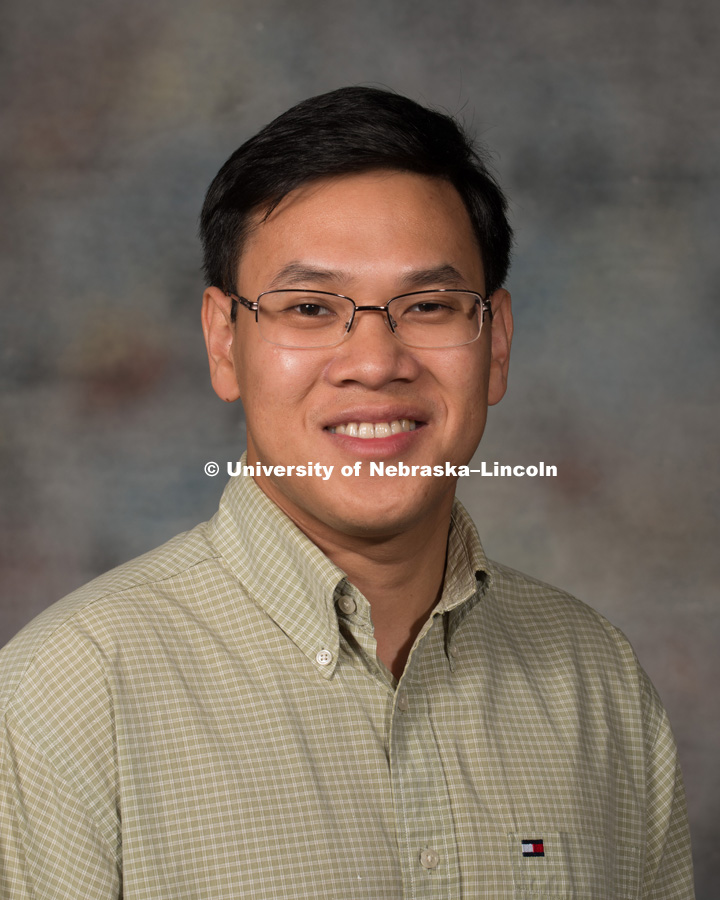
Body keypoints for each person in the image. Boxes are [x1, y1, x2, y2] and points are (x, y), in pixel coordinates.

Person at [0, 87, 694, 899]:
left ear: (495, 343)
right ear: (225, 344)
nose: (374, 360)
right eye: (310, 307)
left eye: (429, 305)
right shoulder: (64, 702)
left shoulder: (598, 682)